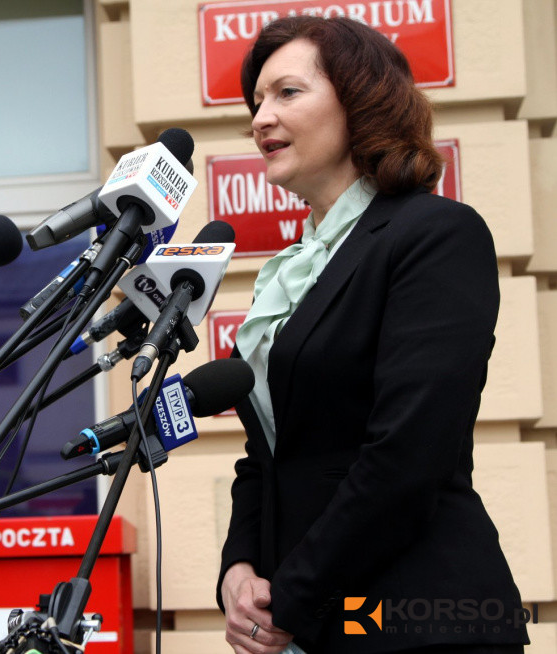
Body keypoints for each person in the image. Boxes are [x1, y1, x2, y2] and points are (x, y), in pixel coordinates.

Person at [217, 16, 528, 654]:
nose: (261, 118)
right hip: (313, 618)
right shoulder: (291, 271)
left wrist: (293, 599)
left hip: (411, 619)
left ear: (360, 101)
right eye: (257, 102)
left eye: (287, 93)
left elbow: (409, 453)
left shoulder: (435, 234)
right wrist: (239, 568)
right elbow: (267, 454)